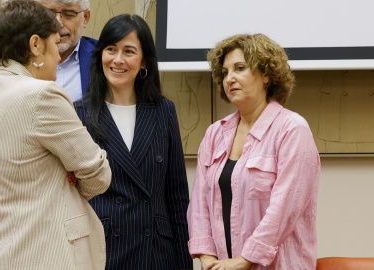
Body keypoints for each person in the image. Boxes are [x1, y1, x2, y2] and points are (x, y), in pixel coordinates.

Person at [0, 1, 111, 269]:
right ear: (35, 45)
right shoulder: (42, 94)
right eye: (54, 44)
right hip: (37, 254)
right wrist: (68, 176)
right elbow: (99, 176)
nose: (58, 58)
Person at [187, 33, 320, 270]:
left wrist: (246, 259)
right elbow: (199, 205)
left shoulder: (292, 129)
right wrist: (206, 257)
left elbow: (284, 209)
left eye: (240, 68)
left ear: (266, 75)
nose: (230, 78)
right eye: (225, 72)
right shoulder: (214, 134)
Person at [74, 14, 193, 270]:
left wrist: (185, 263)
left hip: (157, 253)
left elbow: (177, 196)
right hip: (104, 251)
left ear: (144, 62)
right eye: (111, 49)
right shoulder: (78, 114)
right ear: (100, 56)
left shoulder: (164, 111)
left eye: (129, 51)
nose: (118, 60)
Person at [39, 0, 96, 101]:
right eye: (49, 14)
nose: (58, 24)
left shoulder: (102, 57)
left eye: (69, 14)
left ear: (85, 18)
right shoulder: (21, 57)